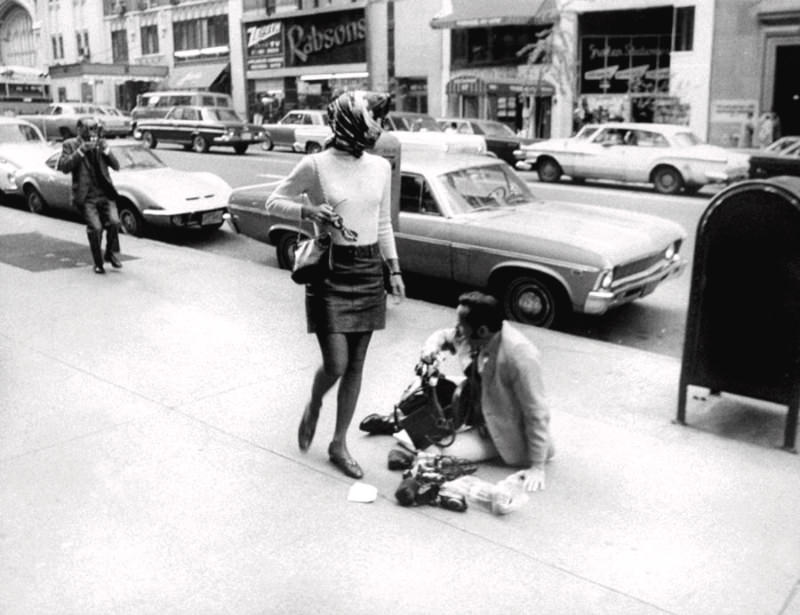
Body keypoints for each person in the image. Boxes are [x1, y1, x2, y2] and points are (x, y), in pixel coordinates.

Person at [265, 91, 406, 479]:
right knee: (337, 362)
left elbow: (382, 224)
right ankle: (314, 403)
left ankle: (338, 443)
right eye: (371, 119)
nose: (378, 126)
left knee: (357, 365)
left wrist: (393, 270)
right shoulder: (315, 164)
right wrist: (308, 210)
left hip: (367, 269)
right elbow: (273, 202)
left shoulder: (380, 167)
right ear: (352, 124)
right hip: (330, 269)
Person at [362, 291, 553, 492]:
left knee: (436, 450)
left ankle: (409, 449)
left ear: (482, 331)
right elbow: (443, 336)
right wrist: (430, 350)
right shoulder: (476, 333)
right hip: (478, 401)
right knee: (425, 385)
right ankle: (398, 422)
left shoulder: (521, 355)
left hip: (500, 428)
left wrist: (537, 467)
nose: (457, 329)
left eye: (462, 324)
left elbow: (537, 413)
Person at [57, 117, 122, 274]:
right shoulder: (70, 144)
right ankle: (98, 263)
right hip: (87, 197)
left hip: (105, 193)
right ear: (80, 130)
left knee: (114, 222)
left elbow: (116, 166)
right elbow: (63, 166)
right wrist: (81, 151)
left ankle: (111, 254)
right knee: (96, 228)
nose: (93, 135)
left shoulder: (101, 143)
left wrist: (106, 150)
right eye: (89, 130)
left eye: (94, 130)